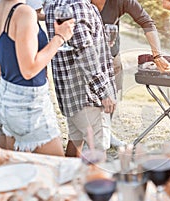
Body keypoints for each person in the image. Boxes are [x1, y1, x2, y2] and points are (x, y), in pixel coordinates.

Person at [0, 0, 74, 155]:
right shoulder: (25, 13)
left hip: (6, 97)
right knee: (57, 170)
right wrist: (60, 38)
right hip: (29, 103)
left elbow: (0, 65)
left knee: (19, 168)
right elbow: (28, 70)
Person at [91, 0, 170, 146]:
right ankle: (88, 137)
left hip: (111, 57)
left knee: (112, 97)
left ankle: (106, 134)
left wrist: (157, 55)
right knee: (88, 103)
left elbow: (147, 22)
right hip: (85, 59)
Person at [45, 0, 118, 157]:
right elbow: (85, 54)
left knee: (76, 141)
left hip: (69, 95)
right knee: (98, 152)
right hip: (87, 96)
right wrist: (104, 92)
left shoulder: (53, 5)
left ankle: (69, 180)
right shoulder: (78, 6)